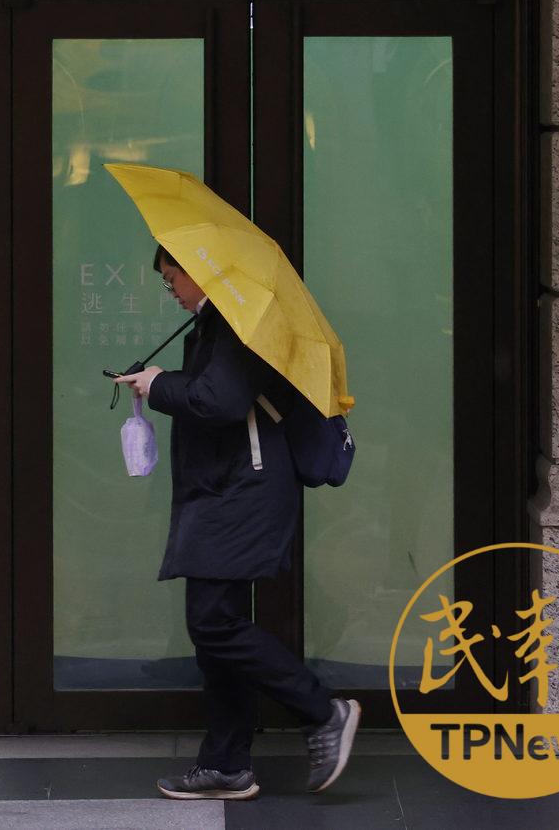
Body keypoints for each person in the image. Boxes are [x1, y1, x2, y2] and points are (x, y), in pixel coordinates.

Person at [115, 244, 358, 800]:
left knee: (213, 624)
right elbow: (218, 395)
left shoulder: (240, 322)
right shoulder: (216, 323)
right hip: (227, 488)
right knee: (215, 628)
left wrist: (160, 385)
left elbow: (221, 400)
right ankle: (225, 763)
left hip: (243, 491)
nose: (170, 288)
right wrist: (156, 379)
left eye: (171, 276)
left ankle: (323, 710)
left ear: (201, 271)